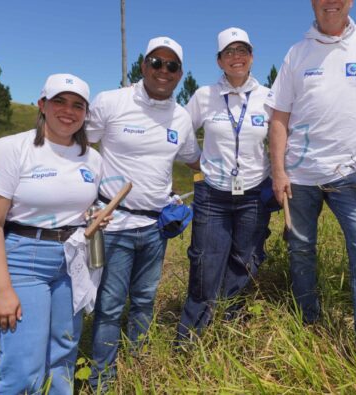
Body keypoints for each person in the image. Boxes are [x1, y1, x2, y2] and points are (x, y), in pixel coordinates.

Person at [266, 0, 356, 374]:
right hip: (301, 176)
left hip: (350, 174)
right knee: (301, 250)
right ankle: (309, 321)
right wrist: (278, 172)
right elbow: (279, 118)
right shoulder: (297, 53)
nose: (331, 2)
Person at [0, 73, 102, 394]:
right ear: (42, 104)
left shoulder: (93, 158)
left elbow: (80, 207)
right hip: (24, 257)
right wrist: (3, 290)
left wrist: (93, 217)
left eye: (77, 105)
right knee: (23, 364)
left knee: (63, 353)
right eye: (59, 101)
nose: (68, 110)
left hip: (73, 261)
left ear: (85, 113)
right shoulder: (11, 148)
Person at [86, 37, 201, 386]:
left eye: (172, 66)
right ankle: (101, 379)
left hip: (155, 227)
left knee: (145, 300)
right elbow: (78, 145)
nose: (163, 71)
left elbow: (196, 161)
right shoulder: (111, 102)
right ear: (143, 65)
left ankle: (139, 365)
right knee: (109, 304)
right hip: (114, 223)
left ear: (180, 74)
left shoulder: (181, 118)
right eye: (157, 62)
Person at [175, 27, 274, 342]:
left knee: (245, 260)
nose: (237, 58)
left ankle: (231, 324)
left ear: (252, 57)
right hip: (212, 194)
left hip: (255, 193)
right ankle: (191, 335)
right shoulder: (204, 96)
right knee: (205, 260)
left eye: (242, 51)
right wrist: (198, 161)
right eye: (229, 52)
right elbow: (180, 132)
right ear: (219, 60)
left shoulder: (268, 97)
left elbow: (282, 137)